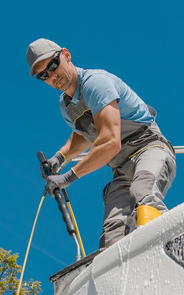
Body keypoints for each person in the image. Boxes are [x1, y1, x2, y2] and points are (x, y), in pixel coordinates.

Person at [27, 38, 176, 250]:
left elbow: (110, 142)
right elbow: (83, 134)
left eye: (52, 65)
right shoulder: (66, 105)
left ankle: (168, 251)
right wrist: (59, 159)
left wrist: (68, 177)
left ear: (66, 55)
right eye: (43, 75)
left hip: (148, 149)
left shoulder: (95, 83)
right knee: (113, 232)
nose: (52, 75)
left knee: (144, 194)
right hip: (122, 169)